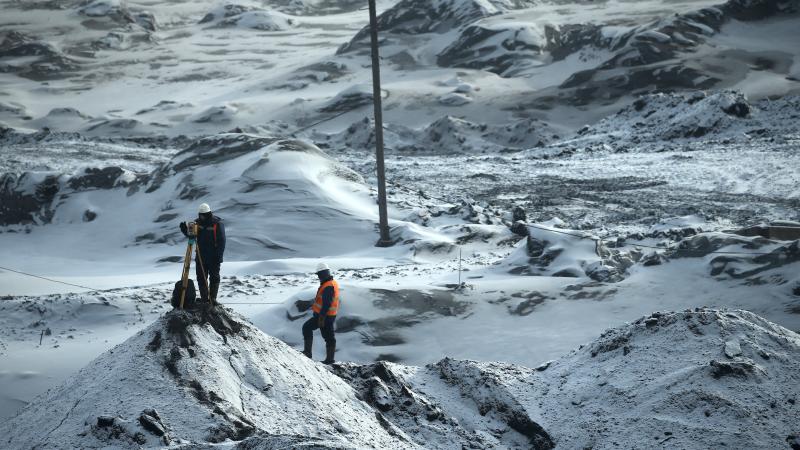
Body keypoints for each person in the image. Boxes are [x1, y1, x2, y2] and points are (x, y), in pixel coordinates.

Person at [179, 203, 226, 304]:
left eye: (203, 215)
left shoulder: (217, 224)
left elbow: (222, 241)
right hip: (201, 256)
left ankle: (212, 298)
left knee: (214, 277)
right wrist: (185, 230)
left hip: (214, 257)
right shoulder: (197, 223)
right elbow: (192, 236)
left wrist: (219, 256)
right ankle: (205, 299)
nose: (201, 217)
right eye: (200, 214)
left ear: (208, 214)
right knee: (201, 277)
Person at [302, 262, 339, 364]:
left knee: (307, 328)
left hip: (325, 316)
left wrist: (321, 318)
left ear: (323, 273)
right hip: (327, 316)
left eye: (319, 274)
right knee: (329, 337)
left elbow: (327, 303)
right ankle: (328, 359)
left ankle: (309, 353)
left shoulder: (328, 286)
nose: (318, 277)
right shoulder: (330, 283)